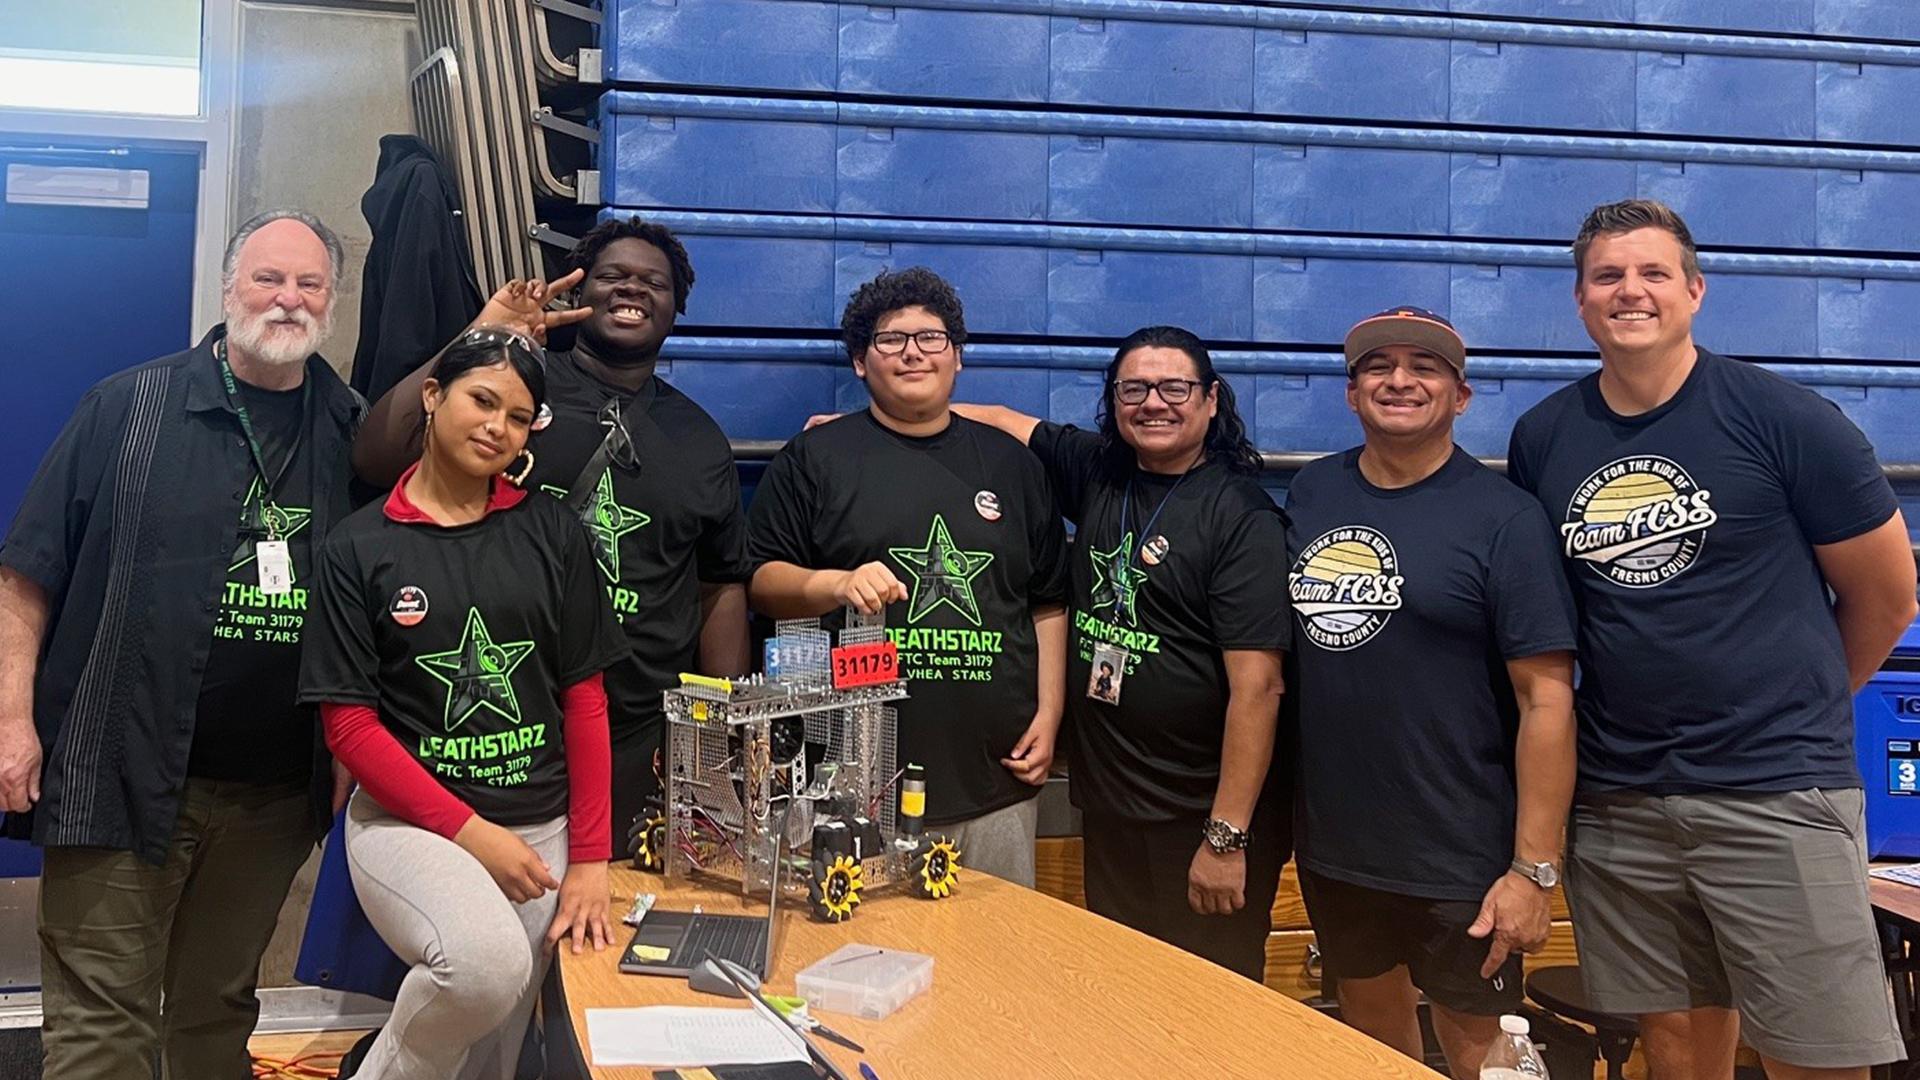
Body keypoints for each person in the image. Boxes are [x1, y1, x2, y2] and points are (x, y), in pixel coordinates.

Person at [1508, 199, 1918, 1079]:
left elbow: (1887, 600)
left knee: (1816, 1055)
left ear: (1694, 291)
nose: (1631, 291)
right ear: (1581, 302)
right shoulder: (1545, 437)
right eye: (1609, 276)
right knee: (1678, 1048)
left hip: (1773, 793)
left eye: (1654, 273)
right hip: (1621, 803)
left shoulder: (1785, 419)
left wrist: (1791, 710)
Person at [0, 209, 361, 1078]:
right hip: (116, 773)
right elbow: (26, 574)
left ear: (332, 302)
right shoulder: (127, 405)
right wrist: (12, 719)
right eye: (269, 278)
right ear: (229, 287)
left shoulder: (351, 429)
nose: (288, 299)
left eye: (309, 284)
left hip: (273, 795)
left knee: (215, 1014)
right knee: (100, 1026)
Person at [355, 215, 751, 850]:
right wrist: (483, 337)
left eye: (654, 282)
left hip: (635, 735)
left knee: (603, 926)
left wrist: (721, 727)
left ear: (678, 308)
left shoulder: (700, 439)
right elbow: (375, 457)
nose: (632, 290)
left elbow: (719, 584)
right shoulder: (509, 395)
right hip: (490, 726)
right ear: (579, 292)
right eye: (612, 276)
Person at [300, 329, 627, 1079]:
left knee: (493, 1053)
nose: (497, 428)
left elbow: (584, 700)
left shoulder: (552, 531)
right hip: (411, 823)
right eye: (483, 401)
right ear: (432, 395)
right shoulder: (360, 546)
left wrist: (591, 857)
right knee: (480, 971)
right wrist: (473, 833)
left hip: (541, 831)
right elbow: (349, 727)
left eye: (518, 418)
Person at [1286, 307, 1578, 1076]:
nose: (1400, 380)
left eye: (1426, 367)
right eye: (1378, 366)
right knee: (1371, 1035)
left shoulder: (1506, 519)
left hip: (1463, 853)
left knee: (1481, 1049)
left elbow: (1547, 700)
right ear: (1352, 393)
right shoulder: (1315, 492)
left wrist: (1533, 869)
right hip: (1340, 844)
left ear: (1461, 395)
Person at [954, 325, 1289, 979]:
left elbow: (1260, 689)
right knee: (1124, 999)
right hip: (1112, 811)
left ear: (1212, 400)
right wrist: (862, 427)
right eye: (1134, 388)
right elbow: (999, 419)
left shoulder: (1240, 516)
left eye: (1174, 387)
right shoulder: (1102, 472)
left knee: (1209, 1014)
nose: (1153, 403)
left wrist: (1225, 838)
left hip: (1201, 819)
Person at [747, 267, 1069, 887]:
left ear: (958, 357)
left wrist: (1050, 713)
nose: (913, 352)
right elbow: (760, 579)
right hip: (851, 781)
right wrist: (834, 584)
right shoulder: (815, 459)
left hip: (995, 776)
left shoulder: (1014, 466)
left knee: (1002, 969)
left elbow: (1048, 600)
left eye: (931, 337)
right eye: (892, 340)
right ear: (862, 363)